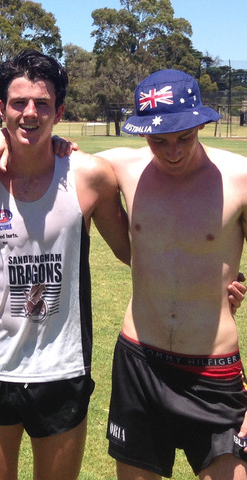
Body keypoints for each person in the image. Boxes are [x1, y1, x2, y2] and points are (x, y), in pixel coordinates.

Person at [0, 48, 131, 480]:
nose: (30, 113)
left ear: (59, 111)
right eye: (19, 103)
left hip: (63, 366)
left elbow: (131, 252)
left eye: (42, 104)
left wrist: (213, 272)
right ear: (1, 108)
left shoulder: (88, 177)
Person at [97, 69, 247, 479]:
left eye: (184, 137)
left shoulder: (240, 178)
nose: (173, 151)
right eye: (159, 141)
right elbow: (44, 151)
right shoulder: (122, 167)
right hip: (139, 362)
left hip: (212, 368)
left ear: (201, 122)